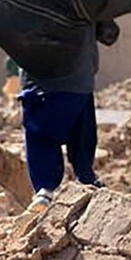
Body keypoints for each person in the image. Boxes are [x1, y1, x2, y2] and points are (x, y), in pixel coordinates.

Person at [20, 18, 119, 209]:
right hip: (78, 78)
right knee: (82, 131)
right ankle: (87, 179)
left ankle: (45, 190)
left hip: (38, 81)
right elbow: (109, 33)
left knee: (40, 136)